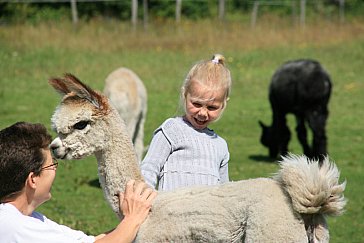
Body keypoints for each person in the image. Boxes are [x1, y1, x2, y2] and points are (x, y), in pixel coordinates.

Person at [0, 121, 157, 243]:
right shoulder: (16, 227)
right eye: (51, 165)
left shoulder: (30, 219)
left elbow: (93, 241)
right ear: (33, 180)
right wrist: (132, 219)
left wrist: (133, 220)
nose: (55, 169)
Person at [141, 54, 232, 191]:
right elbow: (148, 170)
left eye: (211, 107)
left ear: (223, 104)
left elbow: (224, 192)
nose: (202, 113)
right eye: (196, 104)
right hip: (170, 211)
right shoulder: (171, 130)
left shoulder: (220, 146)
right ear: (185, 94)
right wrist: (143, 201)